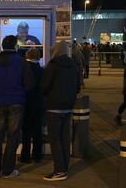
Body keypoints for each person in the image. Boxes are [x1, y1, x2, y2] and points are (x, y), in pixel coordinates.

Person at [0, 35, 34, 179]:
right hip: (16, 103)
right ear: (15, 46)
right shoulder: (21, 62)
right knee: (13, 137)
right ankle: (8, 170)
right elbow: (30, 84)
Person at [41, 41, 80, 182]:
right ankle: (65, 166)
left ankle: (59, 170)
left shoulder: (52, 66)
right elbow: (78, 86)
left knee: (54, 139)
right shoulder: (72, 65)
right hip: (68, 106)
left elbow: (44, 87)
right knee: (64, 137)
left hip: (54, 106)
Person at [19, 49, 45, 164]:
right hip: (39, 104)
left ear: (27, 56)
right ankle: (37, 155)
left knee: (26, 131)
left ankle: (25, 156)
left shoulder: (23, 69)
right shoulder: (42, 70)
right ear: (38, 57)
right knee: (37, 131)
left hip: (26, 103)